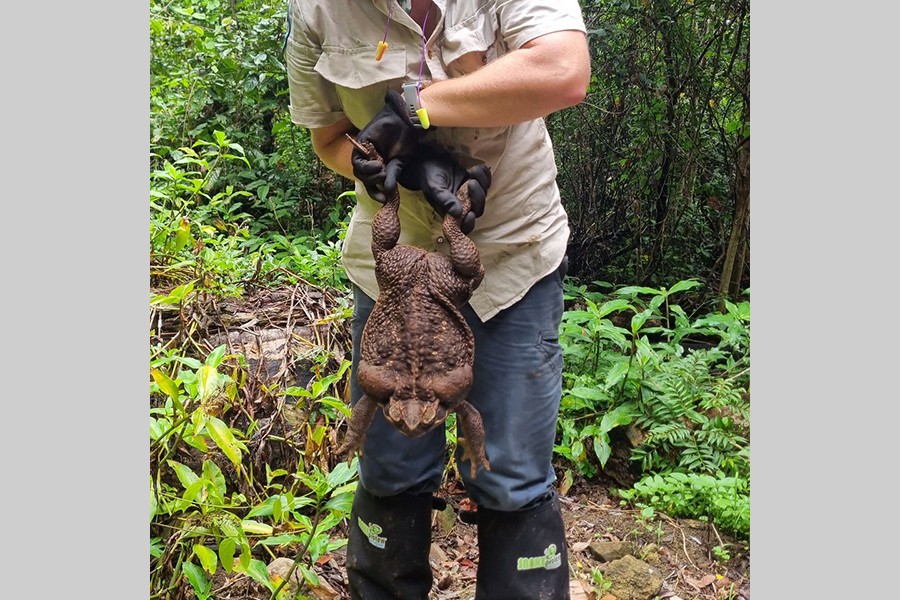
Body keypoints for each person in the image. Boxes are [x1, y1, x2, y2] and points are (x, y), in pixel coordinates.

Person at [284, 1, 590, 598]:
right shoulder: (316, 9)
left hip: (509, 257)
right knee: (391, 471)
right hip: (393, 274)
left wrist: (416, 111)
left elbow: (563, 69)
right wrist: (378, 165)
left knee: (511, 475)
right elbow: (328, 139)